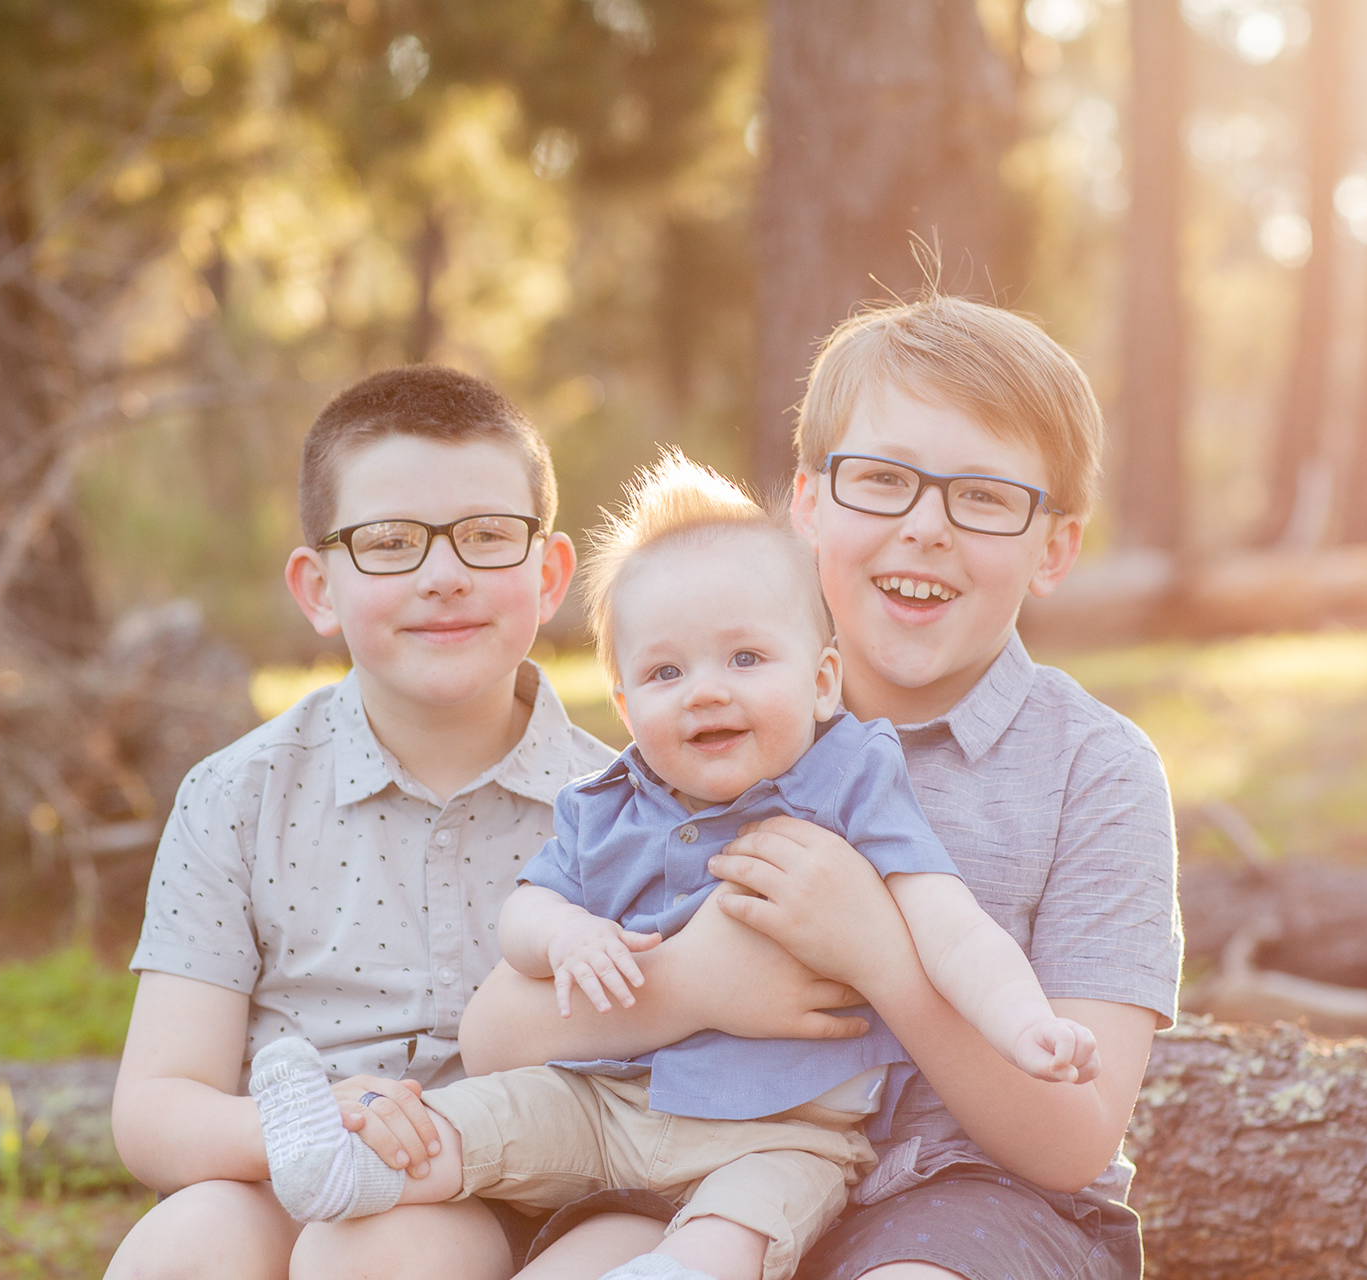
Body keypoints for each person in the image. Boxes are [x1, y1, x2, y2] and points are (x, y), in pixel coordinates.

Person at [447, 294, 1184, 1280]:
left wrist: (882, 957)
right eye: (882, 480)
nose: (926, 527)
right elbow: (496, 1033)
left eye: (984, 496)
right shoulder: (698, 737)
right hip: (698, 1163)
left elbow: (1072, 1140)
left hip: (980, 1199)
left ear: (1052, 546)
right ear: (807, 504)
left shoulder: (1096, 771)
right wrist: (693, 982)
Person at [249, 453, 1100, 1280]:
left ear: (822, 682)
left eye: (745, 659)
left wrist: (1023, 1021)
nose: (705, 691)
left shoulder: (849, 783)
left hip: (783, 1127)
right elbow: (524, 918)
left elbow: (949, 923)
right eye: (665, 671)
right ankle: (352, 1166)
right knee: (491, 1117)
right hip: (613, 1101)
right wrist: (568, 937)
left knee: (746, 1220)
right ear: (624, 705)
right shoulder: (609, 801)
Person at [105, 368, 857, 1280]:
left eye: (487, 537)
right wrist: (329, 1117)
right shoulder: (238, 796)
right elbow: (154, 1109)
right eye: (388, 543)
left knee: (376, 1254)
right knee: (181, 1250)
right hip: (277, 1161)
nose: (444, 576)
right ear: (317, 588)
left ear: (548, 577)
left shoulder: (641, 804)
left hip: (530, 1189)